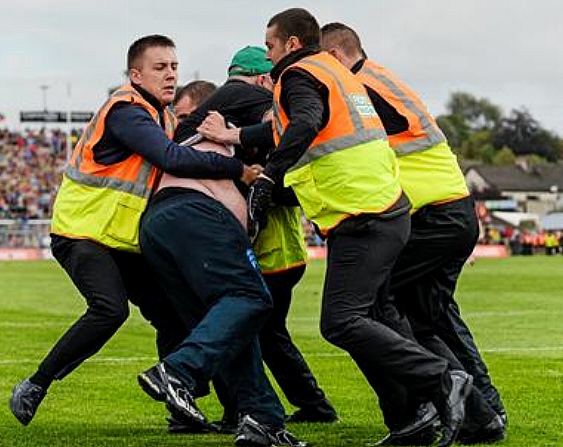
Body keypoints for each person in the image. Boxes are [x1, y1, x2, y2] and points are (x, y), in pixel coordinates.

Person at [202, 9, 471, 447]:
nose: (268, 56)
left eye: (269, 45)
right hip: (384, 209)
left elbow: (305, 121)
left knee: (341, 321)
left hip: (361, 216)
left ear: (290, 45)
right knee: (377, 314)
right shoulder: (335, 73)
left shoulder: (298, 75)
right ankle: (410, 419)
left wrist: (270, 176)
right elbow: (301, 126)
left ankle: (442, 379)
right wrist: (242, 139)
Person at [8, 34, 260, 427]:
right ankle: (36, 384)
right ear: (136, 74)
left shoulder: (161, 115)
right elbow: (169, 156)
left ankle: (182, 410)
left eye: (174, 67)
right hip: (83, 233)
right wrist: (235, 169)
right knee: (110, 310)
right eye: (160, 68)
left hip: (123, 241)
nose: (170, 75)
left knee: (174, 314)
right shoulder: (126, 110)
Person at [321, 22, 507, 444]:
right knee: (427, 318)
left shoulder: (358, 90)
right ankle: (483, 414)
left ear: (333, 58)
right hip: (449, 212)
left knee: (372, 306)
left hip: (433, 215)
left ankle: (430, 408)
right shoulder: (378, 78)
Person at [184, 45, 338, 426]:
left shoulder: (258, 112)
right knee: (268, 334)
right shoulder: (257, 113)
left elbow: (279, 159)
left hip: (274, 252)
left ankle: (245, 409)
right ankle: (312, 405)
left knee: (247, 331)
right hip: (281, 250)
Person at [137, 137, 306, 447]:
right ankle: (177, 370)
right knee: (251, 297)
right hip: (197, 216)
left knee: (230, 324)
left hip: (156, 227)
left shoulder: (192, 146)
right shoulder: (225, 131)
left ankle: (262, 418)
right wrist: (241, 134)